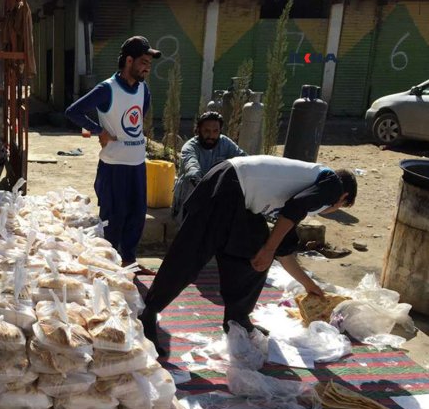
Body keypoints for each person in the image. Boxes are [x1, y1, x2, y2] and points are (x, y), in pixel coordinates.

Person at [139, 155, 357, 356]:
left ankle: (238, 318)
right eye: (340, 207)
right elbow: (294, 209)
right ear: (343, 198)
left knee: (254, 254)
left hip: (242, 201)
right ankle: (149, 313)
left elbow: (284, 249)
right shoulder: (332, 185)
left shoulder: (309, 189)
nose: (332, 210)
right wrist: (269, 249)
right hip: (229, 183)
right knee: (190, 254)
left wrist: (308, 285)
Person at [65, 36, 161, 276]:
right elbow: (73, 111)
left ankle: (129, 262)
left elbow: (140, 115)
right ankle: (107, 266)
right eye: (143, 61)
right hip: (113, 166)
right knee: (113, 217)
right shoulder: (107, 89)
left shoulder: (143, 89)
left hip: (137, 164)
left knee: (136, 216)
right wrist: (100, 130)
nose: (147, 67)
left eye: (149, 63)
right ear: (129, 60)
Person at [173, 111, 246, 221]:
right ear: (198, 130)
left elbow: (243, 159)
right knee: (191, 184)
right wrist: (206, 189)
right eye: (207, 131)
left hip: (216, 192)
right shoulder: (189, 147)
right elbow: (192, 168)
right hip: (193, 191)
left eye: (215, 131)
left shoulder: (225, 143)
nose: (211, 136)